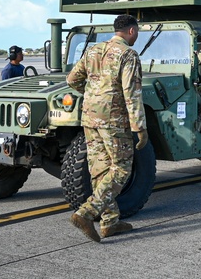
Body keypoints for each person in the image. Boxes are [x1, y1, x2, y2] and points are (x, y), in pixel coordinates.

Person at [66, 14, 147, 242]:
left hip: (90, 117)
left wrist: (94, 95)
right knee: (121, 169)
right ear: (131, 31)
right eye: (137, 32)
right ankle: (86, 213)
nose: (137, 36)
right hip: (114, 119)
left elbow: (72, 80)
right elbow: (132, 93)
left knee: (100, 170)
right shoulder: (128, 54)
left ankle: (109, 222)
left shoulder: (92, 51)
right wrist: (140, 127)